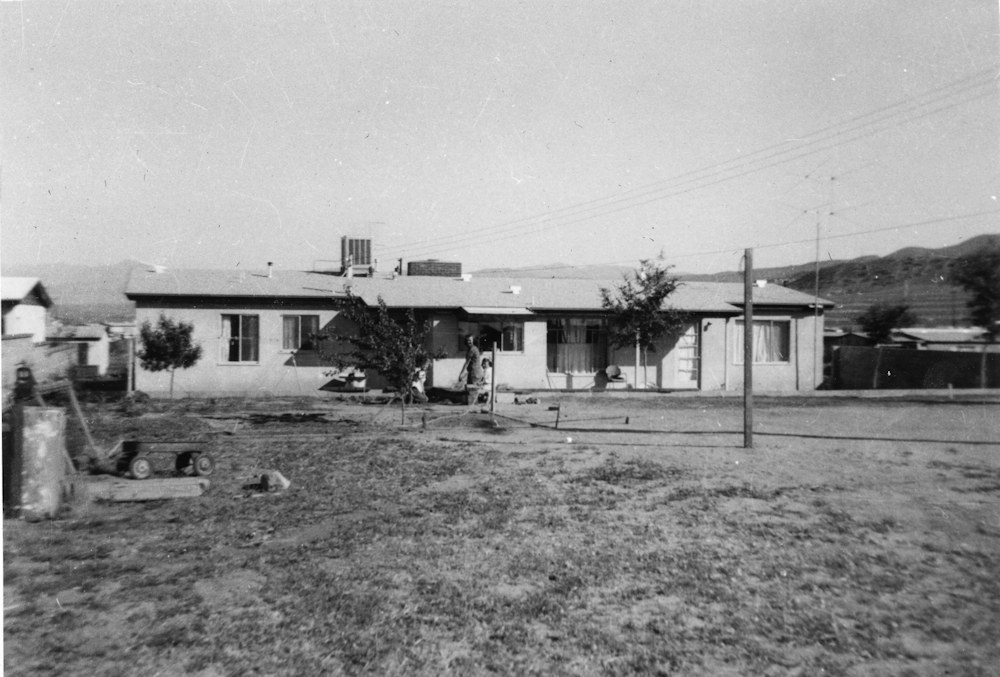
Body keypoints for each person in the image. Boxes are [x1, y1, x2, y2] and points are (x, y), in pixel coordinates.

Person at [459, 335, 484, 405]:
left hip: (475, 373)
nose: (468, 341)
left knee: (473, 390)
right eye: (467, 340)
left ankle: (473, 406)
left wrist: (461, 374)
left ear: (473, 341)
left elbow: (467, 362)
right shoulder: (470, 349)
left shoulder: (473, 349)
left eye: (470, 340)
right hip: (472, 372)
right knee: (470, 390)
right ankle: (472, 405)